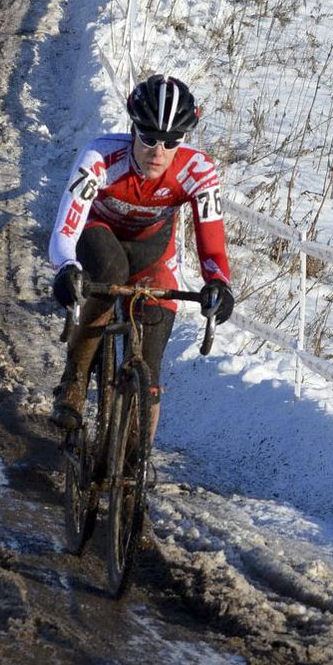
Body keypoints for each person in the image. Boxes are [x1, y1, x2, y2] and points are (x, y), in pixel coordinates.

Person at [47, 73, 234, 431]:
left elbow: (211, 243)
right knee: (109, 270)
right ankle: (75, 379)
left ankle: (137, 460)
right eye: (148, 138)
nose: (158, 151)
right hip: (99, 234)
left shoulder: (198, 171)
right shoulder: (100, 156)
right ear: (133, 129)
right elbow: (66, 228)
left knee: (151, 357)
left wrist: (218, 283)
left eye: (171, 141)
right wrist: (67, 266)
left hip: (152, 248)